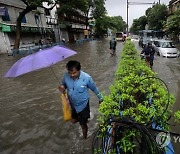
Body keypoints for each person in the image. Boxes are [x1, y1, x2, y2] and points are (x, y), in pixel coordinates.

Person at [59, 60, 103, 139]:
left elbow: (94, 88)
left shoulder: (87, 78)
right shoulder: (66, 76)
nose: (72, 75)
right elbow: (63, 84)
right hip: (72, 104)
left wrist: (101, 98)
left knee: (83, 124)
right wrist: (62, 87)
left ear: (79, 70)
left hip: (83, 105)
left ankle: (84, 138)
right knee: (73, 120)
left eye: (74, 73)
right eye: (70, 73)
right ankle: (83, 119)